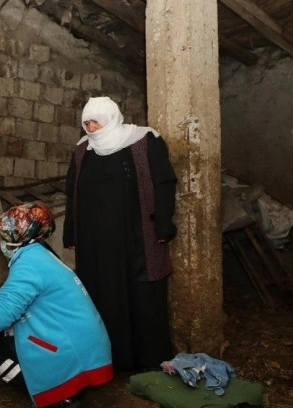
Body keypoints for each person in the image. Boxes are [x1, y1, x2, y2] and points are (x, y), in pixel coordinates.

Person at [0, 203, 113, 408]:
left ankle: (58, 397)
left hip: (71, 352)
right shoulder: (38, 255)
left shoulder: (28, 265)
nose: (1, 241)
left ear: (18, 237)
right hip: (84, 349)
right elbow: (4, 301)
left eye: (5, 235)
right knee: (5, 336)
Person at [63, 96, 177, 371]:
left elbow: (164, 182)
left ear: (111, 118)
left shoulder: (143, 140)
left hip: (134, 236)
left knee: (140, 294)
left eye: (96, 122)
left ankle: (146, 361)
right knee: (100, 293)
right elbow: (72, 193)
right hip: (95, 241)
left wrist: (163, 224)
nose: (91, 128)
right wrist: (71, 234)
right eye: (86, 123)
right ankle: (106, 360)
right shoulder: (82, 151)